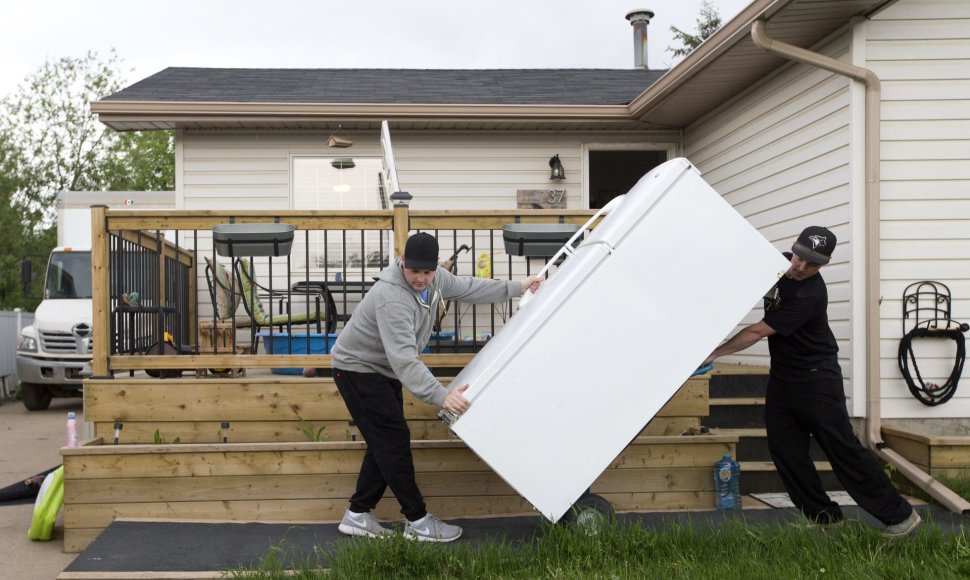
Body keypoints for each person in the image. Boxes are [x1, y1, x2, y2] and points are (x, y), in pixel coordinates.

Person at [703, 226, 921, 538]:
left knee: (842, 450)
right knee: (785, 450)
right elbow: (736, 271)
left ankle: (900, 517)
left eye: (812, 263)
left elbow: (757, 331)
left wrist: (714, 352)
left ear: (822, 265)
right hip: (783, 379)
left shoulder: (810, 294)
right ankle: (823, 518)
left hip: (817, 381)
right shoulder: (776, 264)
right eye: (799, 256)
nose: (800, 266)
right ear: (793, 247)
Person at [330, 232, 542, 542]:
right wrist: (443, 396)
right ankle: (417, 521)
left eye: (426, 272)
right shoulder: (391, 297)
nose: (420, 278)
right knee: (393, 440)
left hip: (381, 369)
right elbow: (405, 361)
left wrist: (516, 287)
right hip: (357, 369)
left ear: (434, 268)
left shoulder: (438, 279)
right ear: (403, 263)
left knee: (386, 440)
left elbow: (470, 287)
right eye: (414, 271)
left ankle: (358, 515)